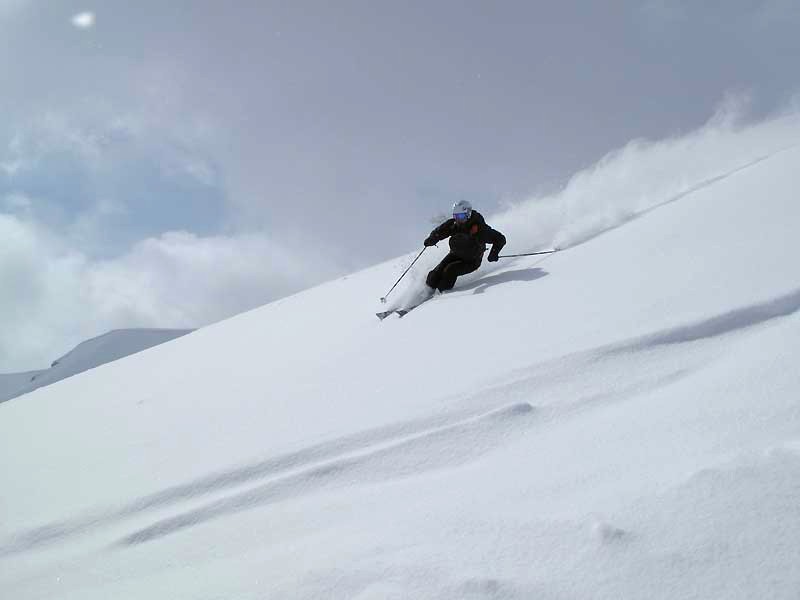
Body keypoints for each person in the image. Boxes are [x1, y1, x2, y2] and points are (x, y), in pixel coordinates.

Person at [423, 200, 506, 292]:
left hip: (472, 260)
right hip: (455, 254)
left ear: (468, 214)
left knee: (450, 270)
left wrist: (494, 253)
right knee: (435, 275)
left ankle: (441, 294)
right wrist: (432, 239)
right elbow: (440, 232)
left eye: (461, 216)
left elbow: (500, 239)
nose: (458, 219)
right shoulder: (454, 225)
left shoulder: (479, 229)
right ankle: (426, 292)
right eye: (456, 216)